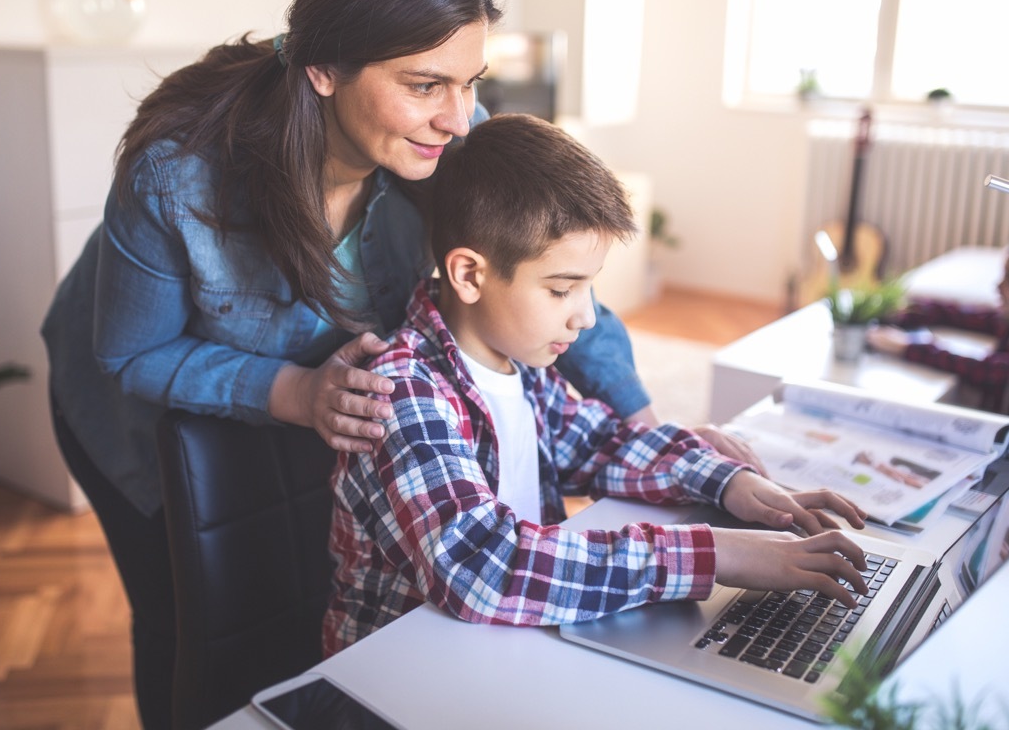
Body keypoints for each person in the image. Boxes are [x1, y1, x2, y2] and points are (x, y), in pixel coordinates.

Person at [40, 0, 743, 724]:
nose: (460, 118)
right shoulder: (179, 176)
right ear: (324, 68)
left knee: (300, 594)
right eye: (424, 84)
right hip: (137, 408)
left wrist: (643, 426)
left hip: (320, 399)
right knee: (184, 619)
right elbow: (131, 351)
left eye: (472, 80)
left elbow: (545, 279)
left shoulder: (443, 142)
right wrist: (296, 390)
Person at [324, 113, 870, 656]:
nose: (586, 317)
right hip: (404, 669)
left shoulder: (521, 366)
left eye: (590, 287)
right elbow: (486, 569)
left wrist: (732, 484)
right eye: (563, 289)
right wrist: (718, 554)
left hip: (512, 642)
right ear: (469, 275)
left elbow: (601, 442)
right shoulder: (401, 391)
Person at [866, 229, 1009, 411]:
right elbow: (961, 314)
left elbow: (996, 372)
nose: (998, 286)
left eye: (1008, 277)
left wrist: (909, 346)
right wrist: (903, 310)